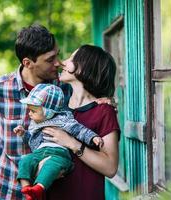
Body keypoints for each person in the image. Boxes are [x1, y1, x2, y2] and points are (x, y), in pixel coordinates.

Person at [0, 24, 64, 199]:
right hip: (8, 188)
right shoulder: (0, 88)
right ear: (27, 63)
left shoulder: (63, 88)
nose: (58, 63)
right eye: (50, 59)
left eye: (57, 55)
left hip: (52, 188)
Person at [43, 44, 120, 200]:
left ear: (85, 68)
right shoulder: (57, 105)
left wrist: (72, 143)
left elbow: (110, 167)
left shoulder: (104, 111)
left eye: (72, 58)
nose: (63, 62)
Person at [13, 83, 104, 200]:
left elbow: (79, 130)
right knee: (25, 160)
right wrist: (24, 134)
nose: (29, 113)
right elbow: (32, 141)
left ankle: (39, 188)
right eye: (29, 110)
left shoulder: (63, 120)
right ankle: (27, 190)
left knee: (52, 165)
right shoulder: (35, 123)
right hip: (39, 153)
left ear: (48, 112)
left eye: (33, 111)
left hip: (59, 154)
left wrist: (92, 137)